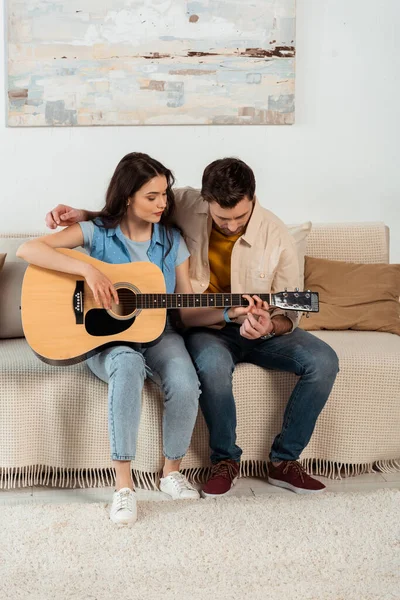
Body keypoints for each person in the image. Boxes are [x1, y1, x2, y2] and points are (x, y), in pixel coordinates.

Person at [45, 157, 339, 498]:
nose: (230, 226)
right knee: (211, 367)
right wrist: (85, 217)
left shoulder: (277, 237)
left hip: (259, 324)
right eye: (221, 218)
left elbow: (289, 316)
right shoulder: (180, 202)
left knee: (324, 361)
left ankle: (284, 461)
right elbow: (132, 205)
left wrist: (268, 324)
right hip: (207, 324)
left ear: (253, 200)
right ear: (206, 201)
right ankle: (225, 461)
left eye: (240, 217)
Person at [18, 152, 205, 526]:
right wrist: (86, 269)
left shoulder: (172, 241)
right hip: (103, 340)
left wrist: (233, 311)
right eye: (151, 196)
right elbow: (29, 249)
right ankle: (124, 487)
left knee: (186, 382)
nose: (162, 204)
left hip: (159, 332)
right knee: (127, 364)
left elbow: (187, 308)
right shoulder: (96, 231)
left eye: (164, 195)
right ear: (127, 197)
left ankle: (171, 472)